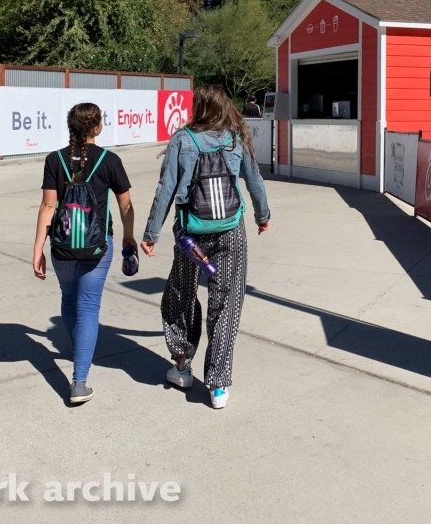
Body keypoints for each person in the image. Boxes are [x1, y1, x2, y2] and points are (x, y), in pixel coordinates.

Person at [141, 85, 271, 409]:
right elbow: (254, 180)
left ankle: (182, 366)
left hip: (190, 236)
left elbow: (165, 188)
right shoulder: (235, 138)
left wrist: (151, 233)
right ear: (225, 107)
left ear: (198, 107)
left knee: (181, 296)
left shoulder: (183, 139)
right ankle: (217, 384)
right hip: (230, 232)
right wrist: (262, 214)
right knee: (226, 304)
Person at [33, 103, 136, 405]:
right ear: (96, 128)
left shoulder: (55, 160)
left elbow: (48, 207)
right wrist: (129, 237)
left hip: (62, 246)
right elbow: (126, 205)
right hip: (97, 245)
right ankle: (79, 382)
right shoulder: (110, 160)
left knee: (69, 298)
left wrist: (38, 246)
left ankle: (80, 347)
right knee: (88, 307)